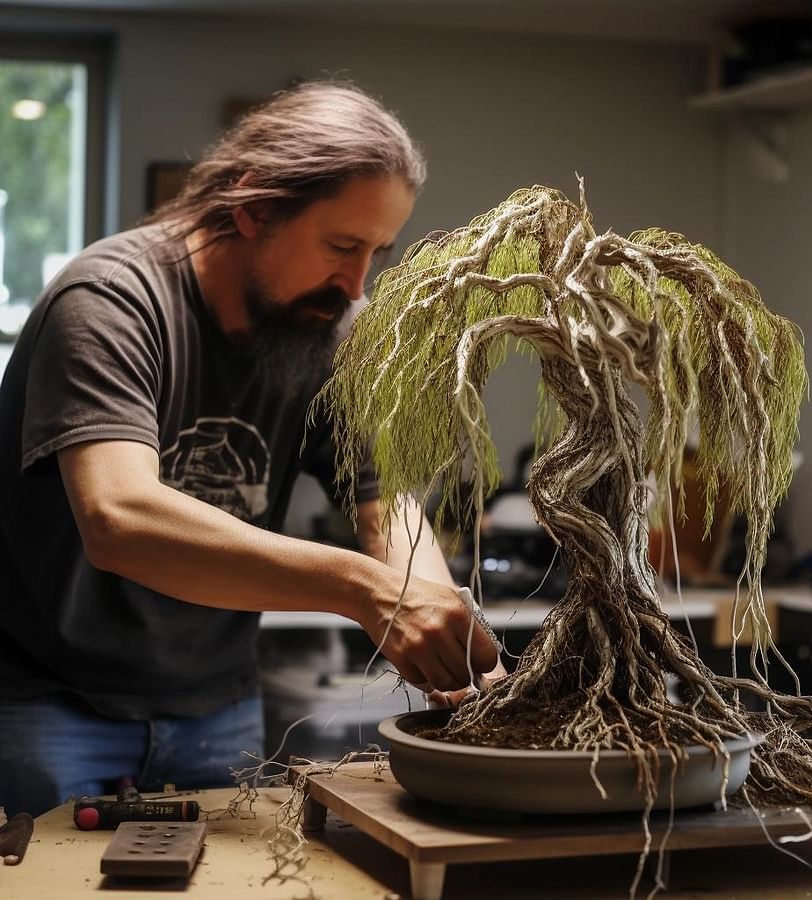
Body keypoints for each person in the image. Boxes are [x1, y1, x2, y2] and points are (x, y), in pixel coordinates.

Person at [0, 81, 500, 817]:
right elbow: (119, 519)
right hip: (51, 701)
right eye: (340, 246)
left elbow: (384, 501)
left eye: (377, 252)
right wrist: (365, 591)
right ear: (253, 208)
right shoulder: (109, 300)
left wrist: (437, 618)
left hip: (217, 703)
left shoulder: (334, 325)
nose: (359, 284)